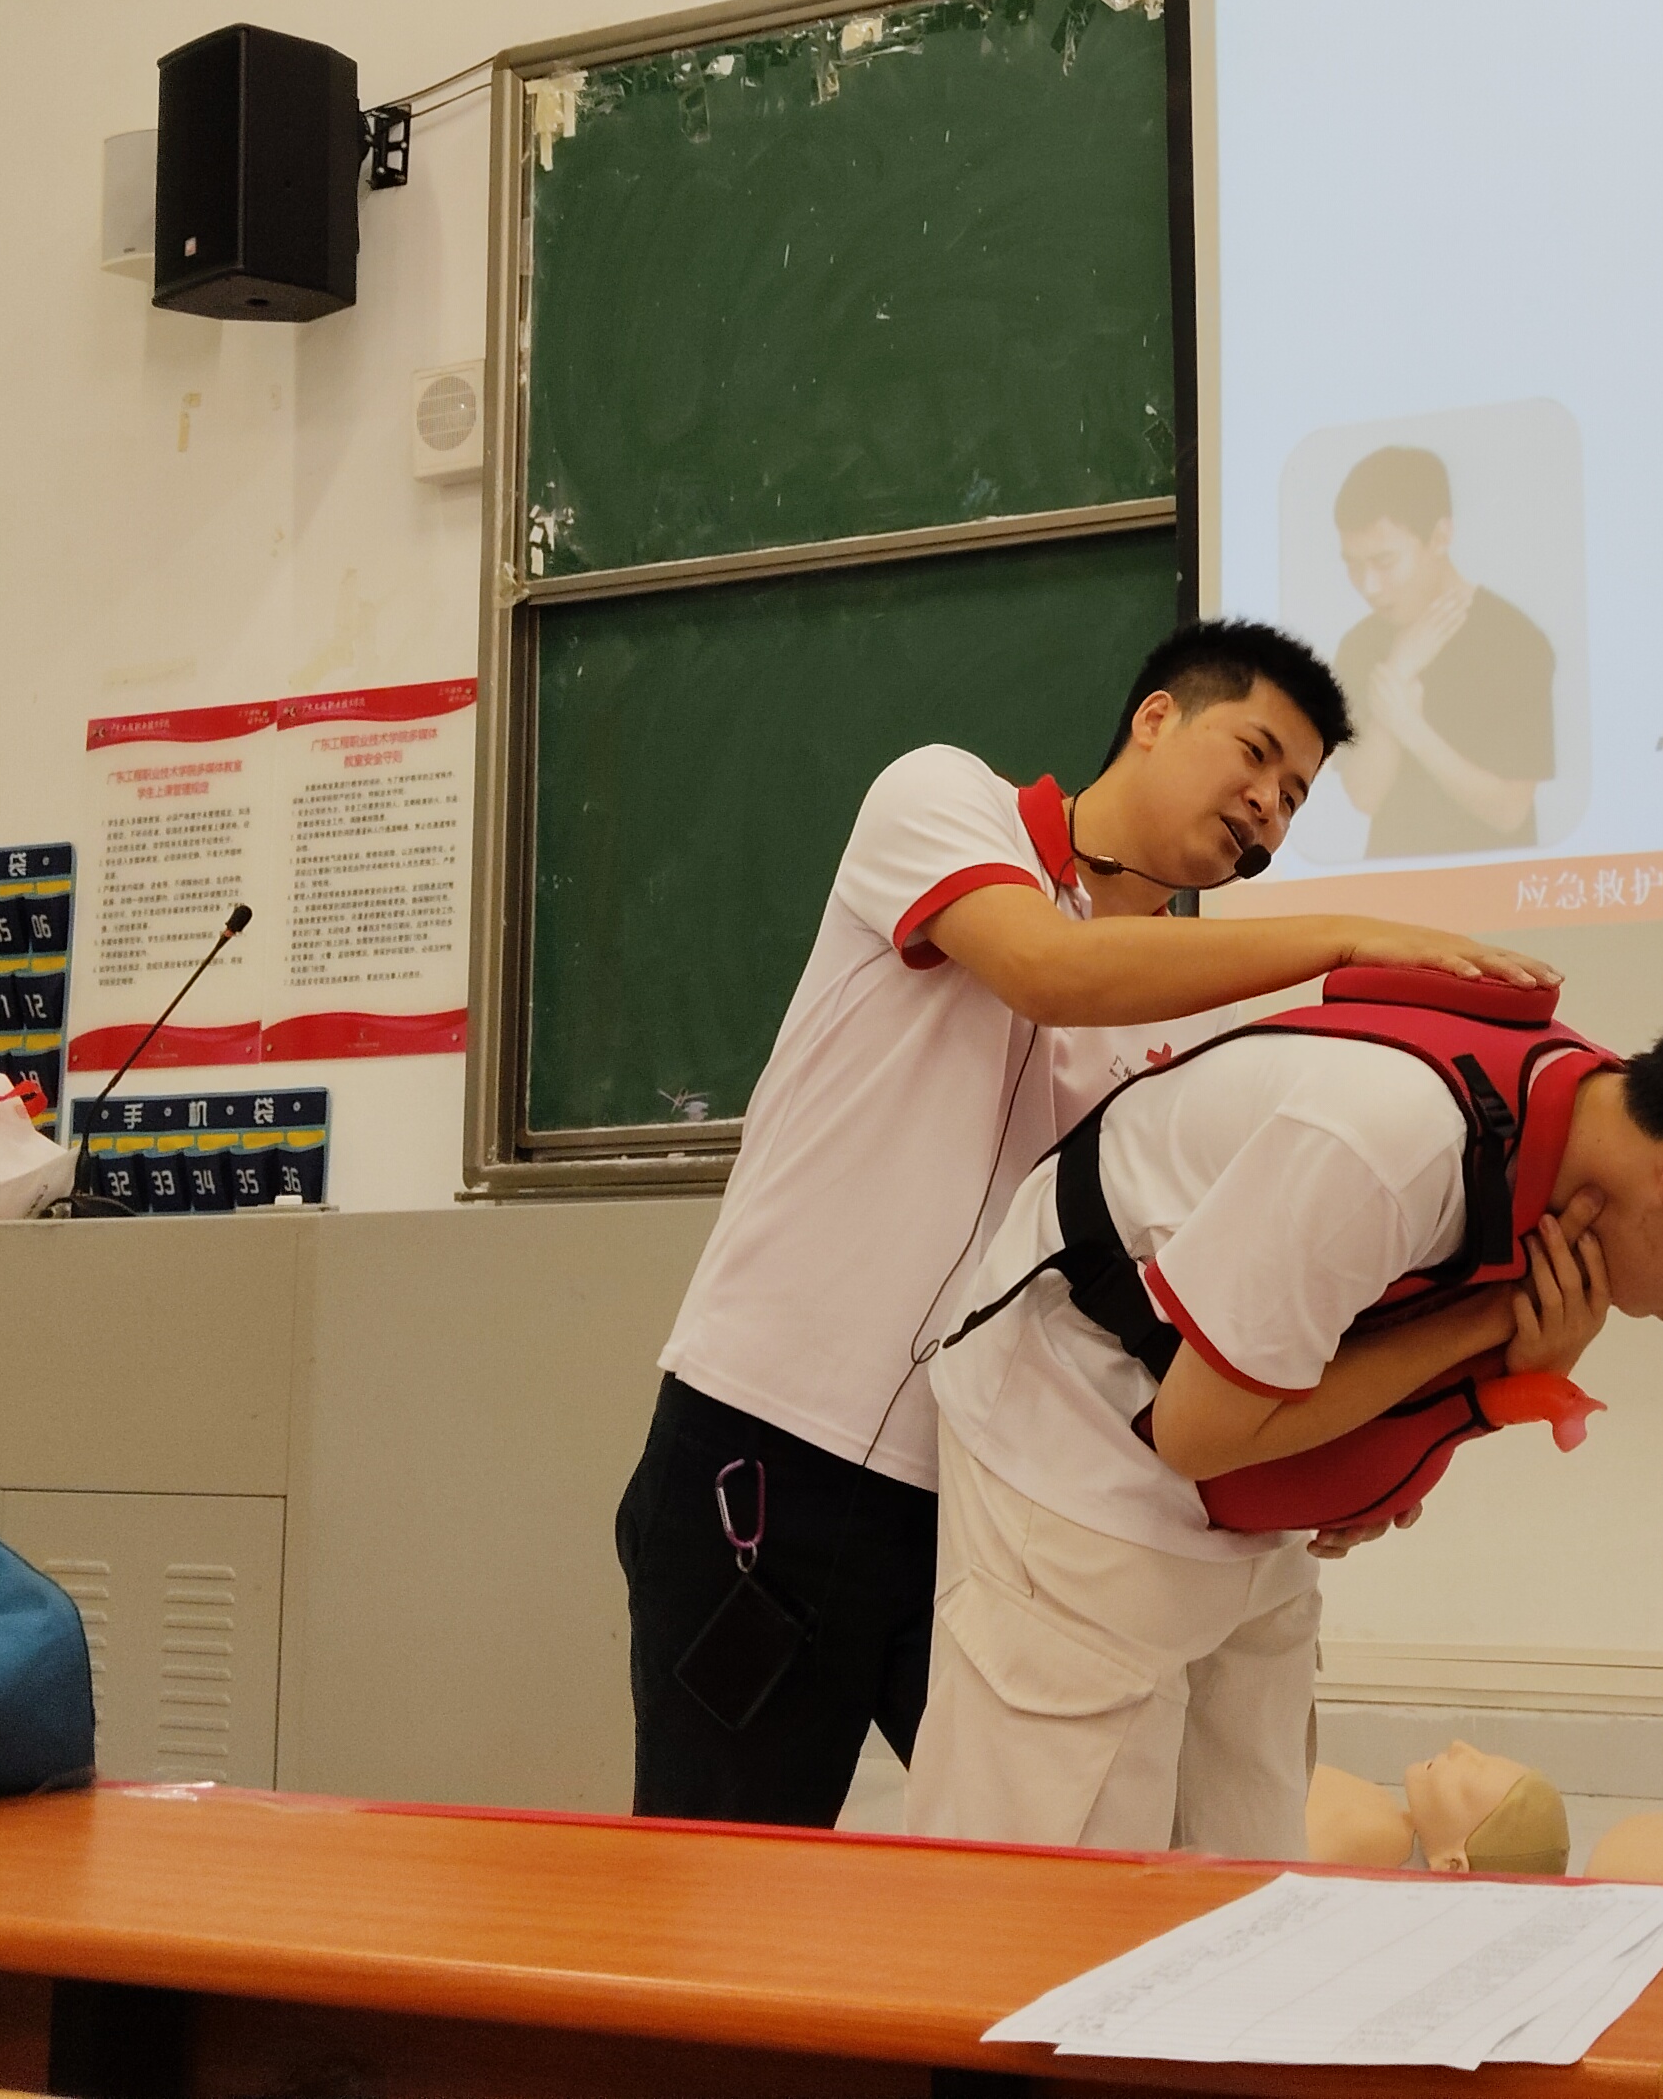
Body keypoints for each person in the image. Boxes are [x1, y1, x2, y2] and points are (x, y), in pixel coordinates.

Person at [617, 618, 1556, 1830]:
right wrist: (1344, 939)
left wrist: (1377, 1448)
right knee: (720, 1878)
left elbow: (1221, 1299)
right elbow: (1051, 972)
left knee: (1030, 1880)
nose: (1268, 807)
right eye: (1255, 756)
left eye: (1295, 797)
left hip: (997, 1495)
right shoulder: (944, 801)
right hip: (767, 1450)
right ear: (1156, 717)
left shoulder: (1206, 1019)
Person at [905, 993, 1663, 1858]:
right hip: (1078, 1435)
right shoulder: (1392, 1142)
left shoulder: (1572, 1129)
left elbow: (1340, 1380)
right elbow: (1199, 1433)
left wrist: (1459, 1404)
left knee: (1245, 1868)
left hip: (1230, 1486)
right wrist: (1491, 1333)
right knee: (1051, 1890)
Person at [1329, 445, 1559, 855]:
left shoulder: (1514, 640)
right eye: (1353, 564)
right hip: (1390, 883)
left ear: (1440, 536)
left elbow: (1509, 811)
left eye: (1384, 562)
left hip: (1497, 885)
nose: (1369, 586)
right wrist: (1397, 671)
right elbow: (1364, 795)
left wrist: (1409, 726)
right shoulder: (1358, 646)